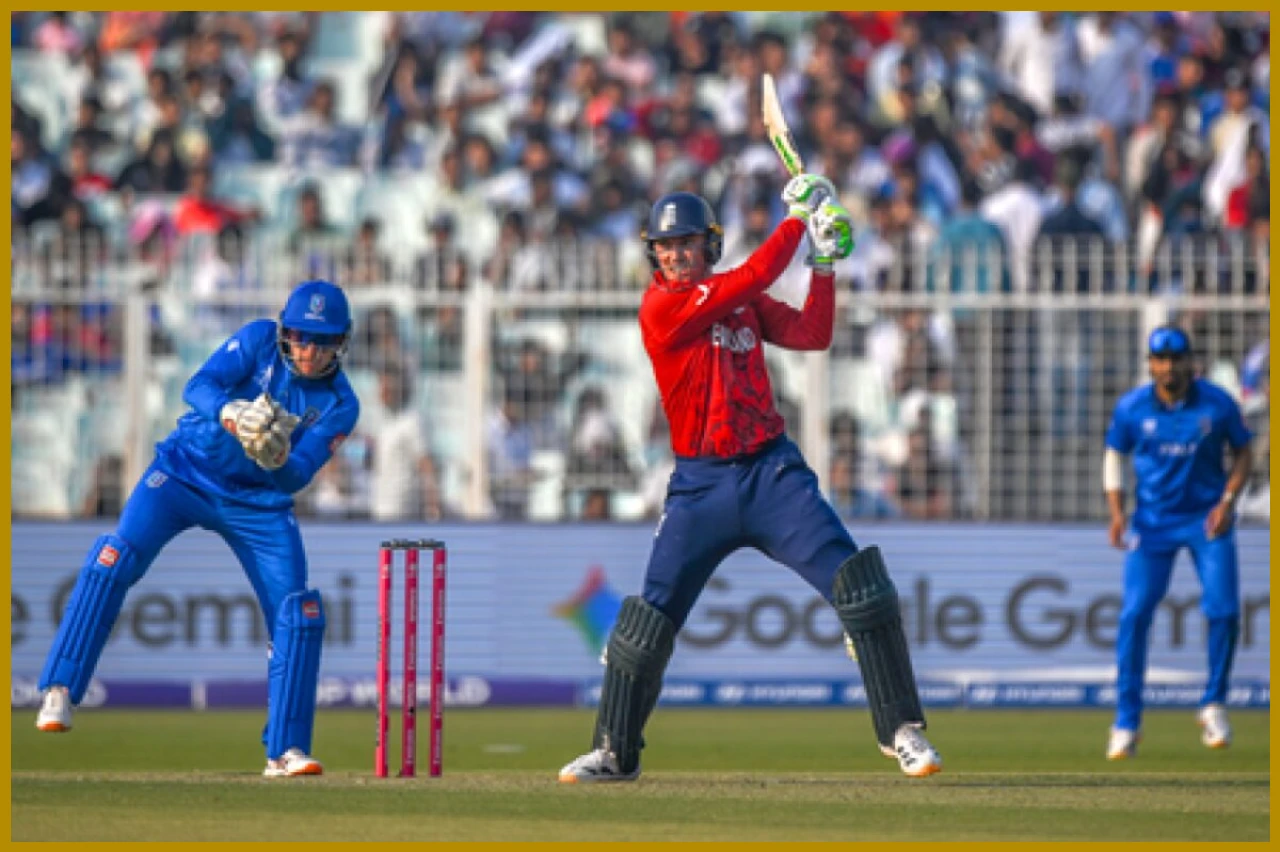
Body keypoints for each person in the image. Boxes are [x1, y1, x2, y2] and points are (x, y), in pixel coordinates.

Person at [558, 177, 943, 784]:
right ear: (652, 253)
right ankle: (614, 752)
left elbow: (813, 334)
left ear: (708, 245)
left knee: (862, 589)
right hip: (700, 486)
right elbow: (758, 273)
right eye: (665, 246)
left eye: (687, 243)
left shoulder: (735, 297)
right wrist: (797, 220)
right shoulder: (660, 307)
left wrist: (822, 265)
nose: (676, 255)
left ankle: (903, 733)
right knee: (649, 619)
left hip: (771, 474)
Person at [34, 280, 361, 778]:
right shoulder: (256, 341)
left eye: (322, 341)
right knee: (113, 559)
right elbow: (198, 386)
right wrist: (232, 414)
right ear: (284, 331)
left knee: (298, 611)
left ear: (342, 342)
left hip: (260, 503)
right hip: (184, 472)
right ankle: (59, 690)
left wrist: (275, 454)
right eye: (299, 336)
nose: (309, 351)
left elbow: (300, 473)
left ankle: (285, 750)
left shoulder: (341, 403)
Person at [1102, 325, 1253, 760]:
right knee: (1134, 615)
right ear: (1150, 364)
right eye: (1159, 360)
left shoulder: (1217, 402)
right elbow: (1114, 455)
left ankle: (1214, 704)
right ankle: (1127, 721)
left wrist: (1228, 499)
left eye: (1175, 359)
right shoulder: (1133, 407)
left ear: (1189, 361)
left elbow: (1244, 450)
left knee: (1224, 610)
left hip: (1206, 520)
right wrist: (1116, 512)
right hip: (1152, 525)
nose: (1167, 368)